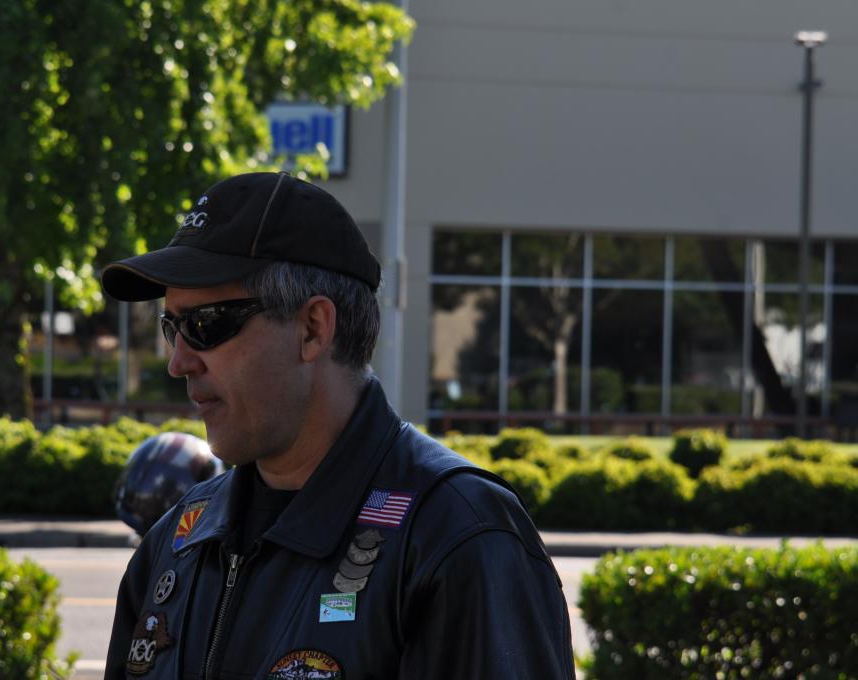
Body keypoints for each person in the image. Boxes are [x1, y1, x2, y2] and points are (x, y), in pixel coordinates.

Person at [100, 171, 576, 679]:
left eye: (205, 324)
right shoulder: (178, 540)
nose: (178, 362)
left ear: (313, 328)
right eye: (171, 327)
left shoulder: (457, 537)